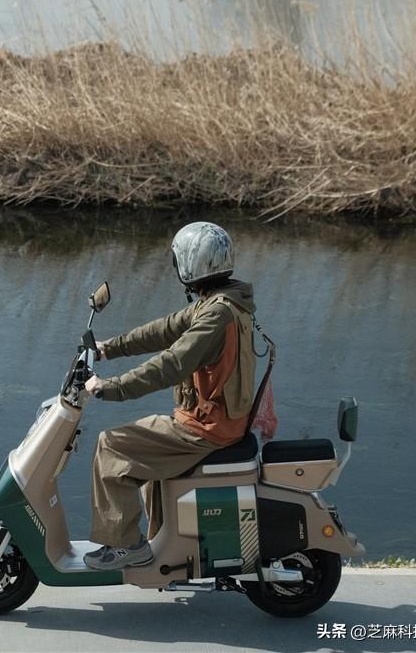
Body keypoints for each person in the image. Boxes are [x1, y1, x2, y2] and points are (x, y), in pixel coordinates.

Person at [83, 221, 258, 571]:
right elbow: (164, 330)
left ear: (191, 264)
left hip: (205, 429)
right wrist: (108, 349)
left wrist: (111, 387)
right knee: (141, 442)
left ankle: (126, 546)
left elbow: (172, 364)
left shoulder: (216, 315)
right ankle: (160, 542)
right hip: (212, 421)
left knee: (111, 445)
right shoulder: (222, 303)